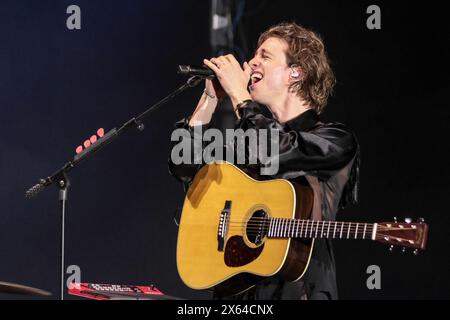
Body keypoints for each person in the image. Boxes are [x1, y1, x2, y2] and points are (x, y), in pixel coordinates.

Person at [168, 22, 359, 300]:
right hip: (238, 294)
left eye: (265, 56)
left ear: (296, 73)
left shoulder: (335, 140)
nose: (251, 62)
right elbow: (184, 168)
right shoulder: (246, 138)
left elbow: (278, 149)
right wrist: (207, 102)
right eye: (254, 55)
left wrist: (242, 99)